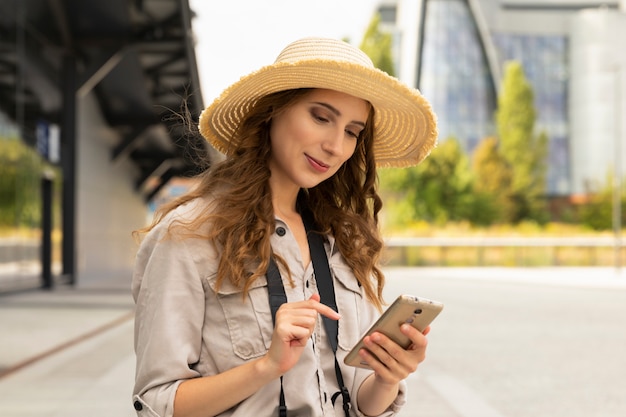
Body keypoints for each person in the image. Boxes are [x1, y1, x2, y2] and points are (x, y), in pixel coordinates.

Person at [131, 37, 437, 417]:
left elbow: (361, 402)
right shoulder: (190, 236)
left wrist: (389, 377)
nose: (336, 146)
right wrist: (266, 366)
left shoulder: (342, 242)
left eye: (352, 132)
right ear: (272, 112)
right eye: (321, 117)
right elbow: (157, 402)